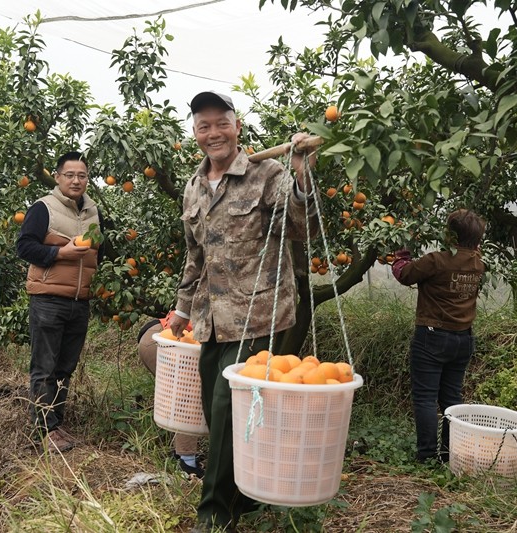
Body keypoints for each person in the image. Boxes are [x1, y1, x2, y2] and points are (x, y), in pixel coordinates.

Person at [167, 91, 319, 533]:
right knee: (219, 417)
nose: (213, 133)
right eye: (204, 126)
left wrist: (302, 176)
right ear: (195, 133)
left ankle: (214, 516)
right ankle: (248, 492)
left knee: (227, 409)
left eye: (221, 123)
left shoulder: (266, 174)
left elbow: (302, 227)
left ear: (237, 126)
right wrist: (181, 308)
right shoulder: (194, 186)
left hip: (257, 316)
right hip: (210, 320)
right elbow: (195, 255)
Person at [16, 151, 103, 454]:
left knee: (66, 366)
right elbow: (24, 246)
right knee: (45, 366)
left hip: (80, 300)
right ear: (57, 177)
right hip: (48, 299)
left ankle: (56, 422)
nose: (76, 180)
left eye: (82, 175)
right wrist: (59, 254)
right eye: (70, 175)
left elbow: (99, 254)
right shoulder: (44, 208)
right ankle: (45, 429)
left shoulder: (93, 212)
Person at [391, 209, 486, 463]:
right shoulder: (478, 262)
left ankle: (427, 456)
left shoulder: (437, 261)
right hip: (463, 339)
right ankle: (447, 454)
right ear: (477, 240)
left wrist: (400, 255)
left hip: (432, 337)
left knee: (425, 398)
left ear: (449, 234)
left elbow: (404, 274)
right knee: (451, 399)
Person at [137, 310, 204, 478]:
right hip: (165, 340)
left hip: (159, 335)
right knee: (189, 396)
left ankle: (182, 454)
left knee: (182, 395)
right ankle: (186, 462)